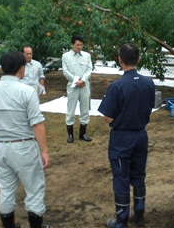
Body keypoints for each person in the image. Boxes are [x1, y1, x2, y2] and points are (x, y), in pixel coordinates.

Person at [0, 51, 50, 228]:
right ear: (22, 69)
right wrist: (44, 151)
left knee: (5, 189)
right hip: (24, 146)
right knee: (34, 189)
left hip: (2, 148)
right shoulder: (27, 91)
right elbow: (37, 123)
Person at [98, 43, 155, 227]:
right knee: (139, 175)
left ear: (120, 60)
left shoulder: (117, 86)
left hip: (122, 138)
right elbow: (150, 107)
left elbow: (107, 115)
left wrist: (118, 122)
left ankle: (121, 220)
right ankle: (139, 215)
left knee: (121, 177)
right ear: (138, 59)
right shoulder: (148, 82)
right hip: (141, 135)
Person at [62, 35, 93, 143]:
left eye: (81, 45)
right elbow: (65, 71)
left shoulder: (87, 56)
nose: (79, 47)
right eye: (77, 45)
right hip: (73, 85)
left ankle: (83, 133)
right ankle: (70, 134)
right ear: (72, 45)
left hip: (84, 85)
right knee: (71, 109)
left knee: (85, 108)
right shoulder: (66, 56)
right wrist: (76, 81)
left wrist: (83, 80)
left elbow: (89, 69)